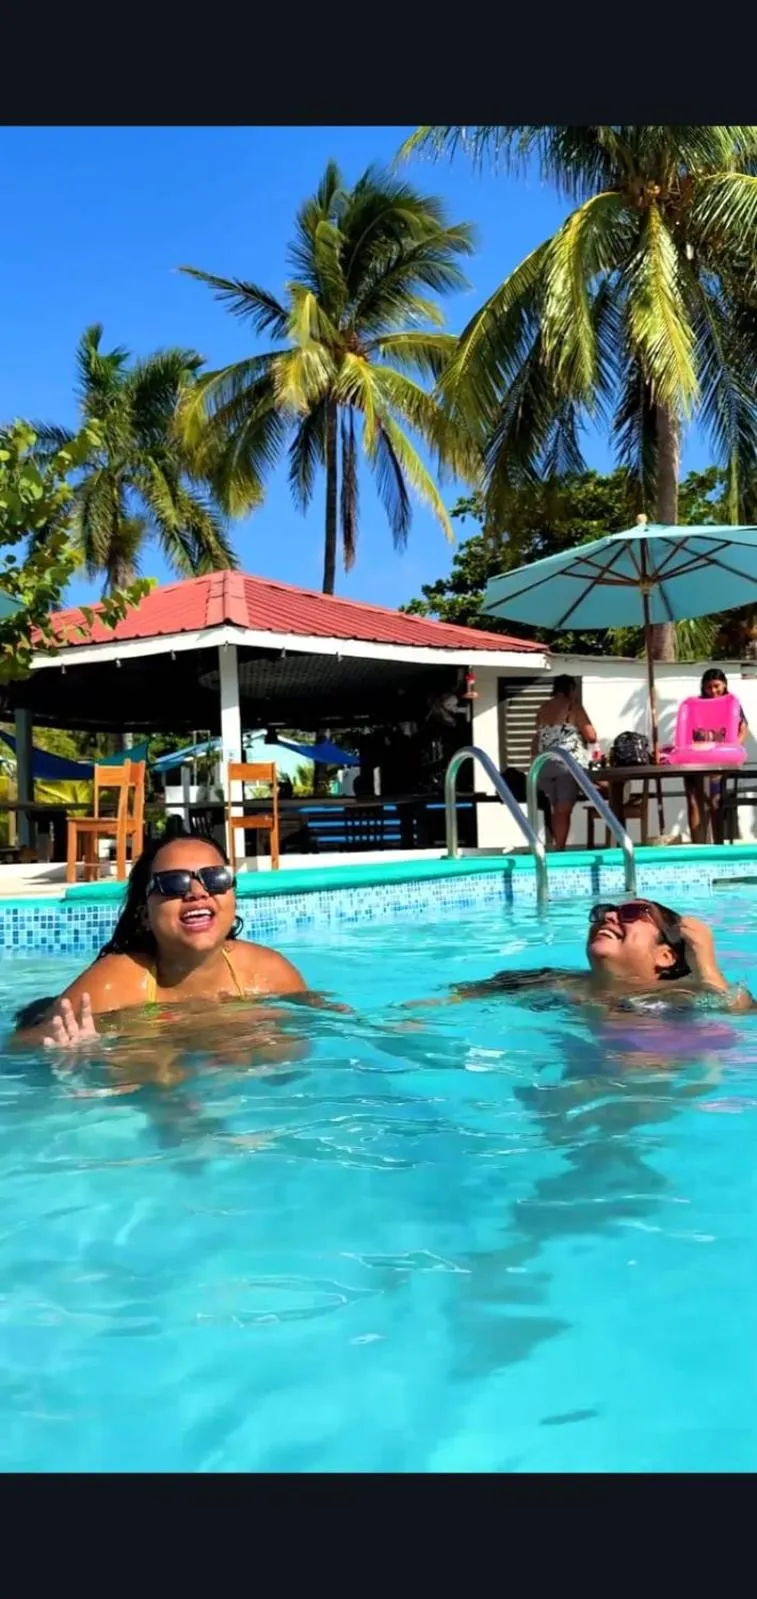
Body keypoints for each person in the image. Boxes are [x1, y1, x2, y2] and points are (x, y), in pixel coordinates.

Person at [14, 832, 307, 1050]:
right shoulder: (117, 982)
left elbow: (323, 1020)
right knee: (145, 1057)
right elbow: (19, 1045)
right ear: (145, 909)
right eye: (172, 883)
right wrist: (69, 1047)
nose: (197, 892)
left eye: (215, 878)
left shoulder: (268, 972)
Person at [446, 899, 754, 1014]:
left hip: (646, 1088)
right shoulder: (558, 981)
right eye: (603, 912)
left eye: (632, 913)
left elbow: (737, 1011)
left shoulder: (680, 994)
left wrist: (706, 962)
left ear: (665, 956)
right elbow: (464, 995)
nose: (607, 918)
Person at [532, 675, 598, 850]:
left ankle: (556, 846)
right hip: (566, 764)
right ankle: (560, 849)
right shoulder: (572, 707)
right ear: (571, 689)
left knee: (556, 809)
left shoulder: (542, 708)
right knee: (563, 809)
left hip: (544, 764)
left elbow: (537, 738)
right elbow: (591, 735)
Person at [684, 668, 749, 843]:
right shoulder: (696, 705)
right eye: (708, 688)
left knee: (715, 802)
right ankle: (698, 846)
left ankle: (718, 845)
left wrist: (734, 748)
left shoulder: (732, 704)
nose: (713, 691)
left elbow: (743, 728)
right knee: (693, 800)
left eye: (716, 686)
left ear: (725, 684)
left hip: (719, 761)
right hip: (696, 760)